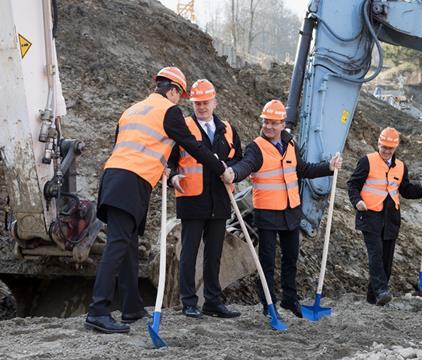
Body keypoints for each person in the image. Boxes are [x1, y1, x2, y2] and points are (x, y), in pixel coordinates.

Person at [85, 67, 233, 334]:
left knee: (129, 244)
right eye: (180, 95)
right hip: (132, 182)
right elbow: (193, 146)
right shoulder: (169, 111)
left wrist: (161, 166)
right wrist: (220, 168)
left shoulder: (132, 110)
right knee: (118, 244)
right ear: (174, 90)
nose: (180, 101)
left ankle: (131, 307)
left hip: (115, 179)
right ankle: (98, 310)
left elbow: (128, 146)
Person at [225, 100, 342, 318]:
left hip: (290, 211)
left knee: (291, 258)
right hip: (267, 213)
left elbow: (304, 169)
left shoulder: (290, 145)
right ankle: (268, 304)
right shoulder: (256, 147)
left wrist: (329, 167)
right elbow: (246, 165)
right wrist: (233, 173)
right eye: (265, 122)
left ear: (282, 124)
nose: (268, 126)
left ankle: (290, 299)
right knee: (267, 262)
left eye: (273, 123)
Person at [168, 79, 242, 319]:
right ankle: (188, 302)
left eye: (205, 102)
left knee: (214, 253)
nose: (201, 107)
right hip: (192, 199)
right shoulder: (183, 127)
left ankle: (212, 302)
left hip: (219, 200)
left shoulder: (228, 129)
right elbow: (169, 162)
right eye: (197, 103)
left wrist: (232, 170)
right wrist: (172, 179)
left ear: (214, 102)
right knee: (188, 253)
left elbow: (237, 159)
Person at [347, 127, 422, 306]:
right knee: (375, 254)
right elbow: (353, 184)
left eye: (390, 148)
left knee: (386, 259)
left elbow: (406, 190)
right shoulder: (367, 161)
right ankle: (381, 290)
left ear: (395, 148)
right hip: (369, 214)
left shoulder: (400, 166)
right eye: (383, 147)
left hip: (391, 218)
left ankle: (373, 298)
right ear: (378, 143)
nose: (386, 151)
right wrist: (357, 201)